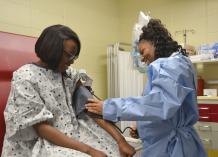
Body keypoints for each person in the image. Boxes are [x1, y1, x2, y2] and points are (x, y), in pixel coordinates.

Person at [2, 25, 135, 157]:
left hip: (72, 132)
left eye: (74, 57)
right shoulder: (26, 78)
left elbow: (91, 107)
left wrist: (120, 141)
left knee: (114, 150)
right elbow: (42, 129)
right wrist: (90, 151)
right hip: (41, 140)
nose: (72, 62)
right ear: (51, 50)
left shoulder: (69, 75)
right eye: (69, 55)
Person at [86, 19, 208, 157]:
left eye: (142, 51)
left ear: (155, 42)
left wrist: (109, 107)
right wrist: (142, 127)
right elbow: (161, 107)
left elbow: (159, 104)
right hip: (164, 144)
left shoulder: (172, 66)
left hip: (173, 148)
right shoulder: (170, 66)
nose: (142, 59)